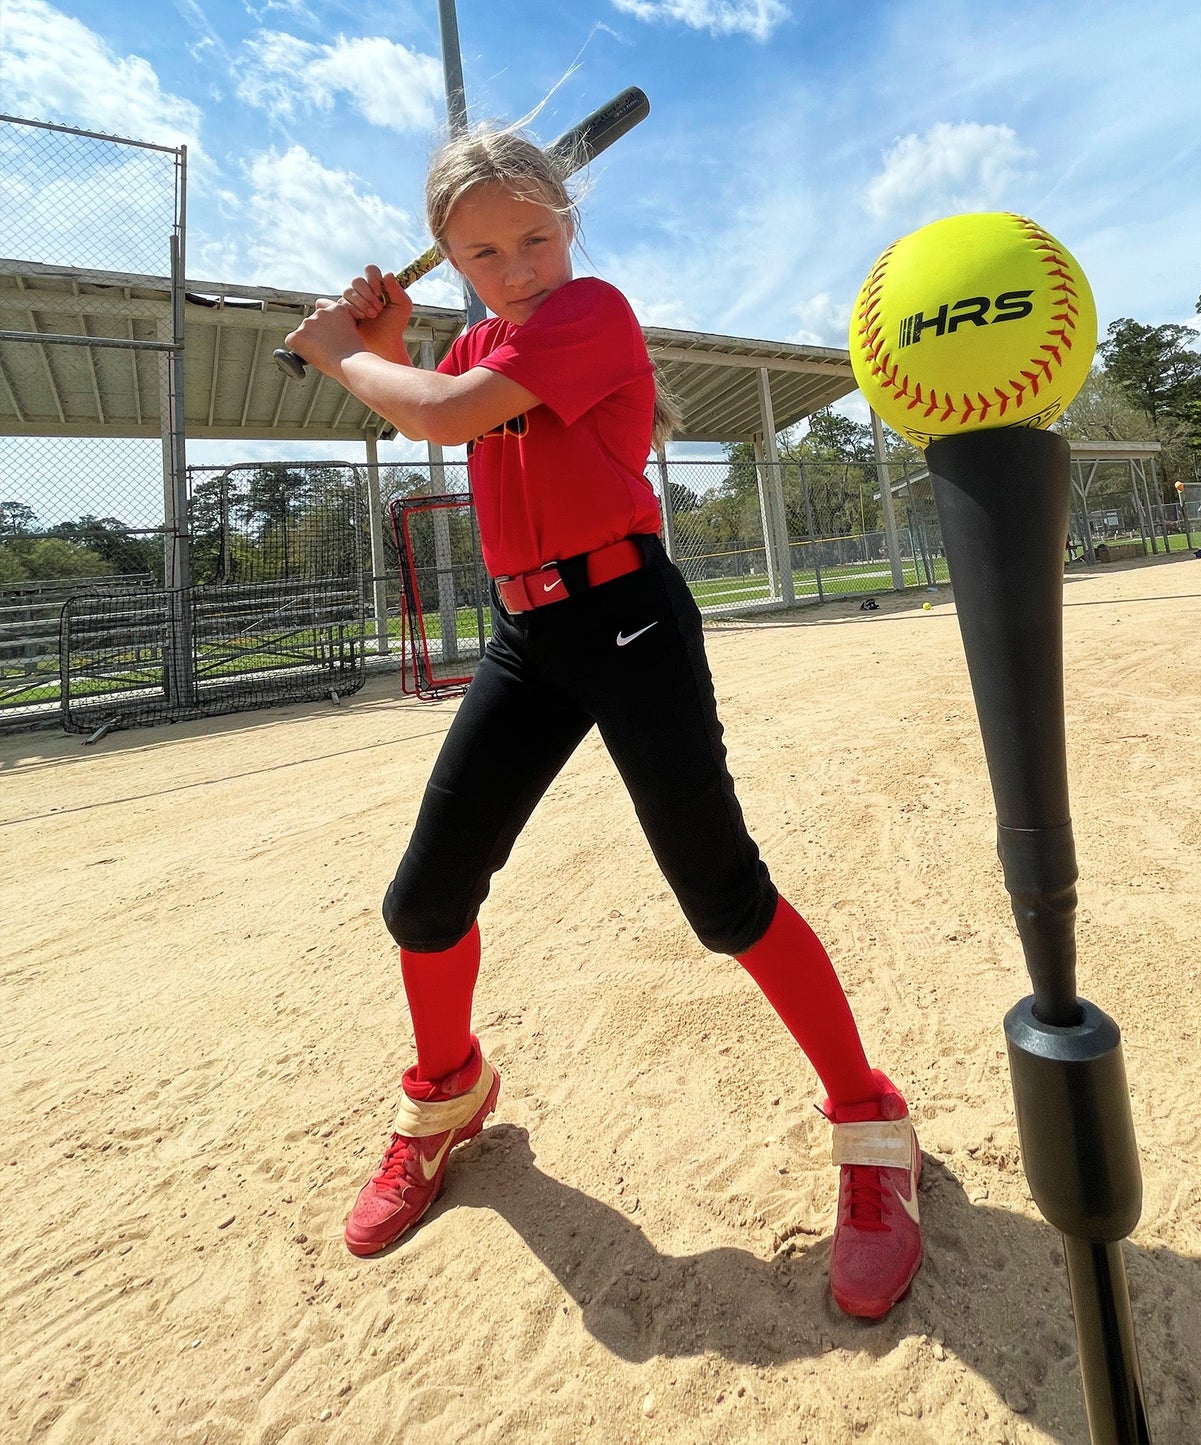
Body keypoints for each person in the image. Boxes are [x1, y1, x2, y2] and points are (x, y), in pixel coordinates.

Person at [283, 121, 922, 1319]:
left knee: (722, 897)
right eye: (482, 251)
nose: (516, 265)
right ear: (450, 259)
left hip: (627, 615)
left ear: (570, 226)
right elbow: (432, 384)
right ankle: (445, 1095)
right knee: (422, 899)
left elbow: (438, 414)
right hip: (528, 635)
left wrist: (338, 355)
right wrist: (377, 342)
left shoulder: (593, 314)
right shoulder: (474, 334)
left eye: (534, 235)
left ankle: (870, 1122)